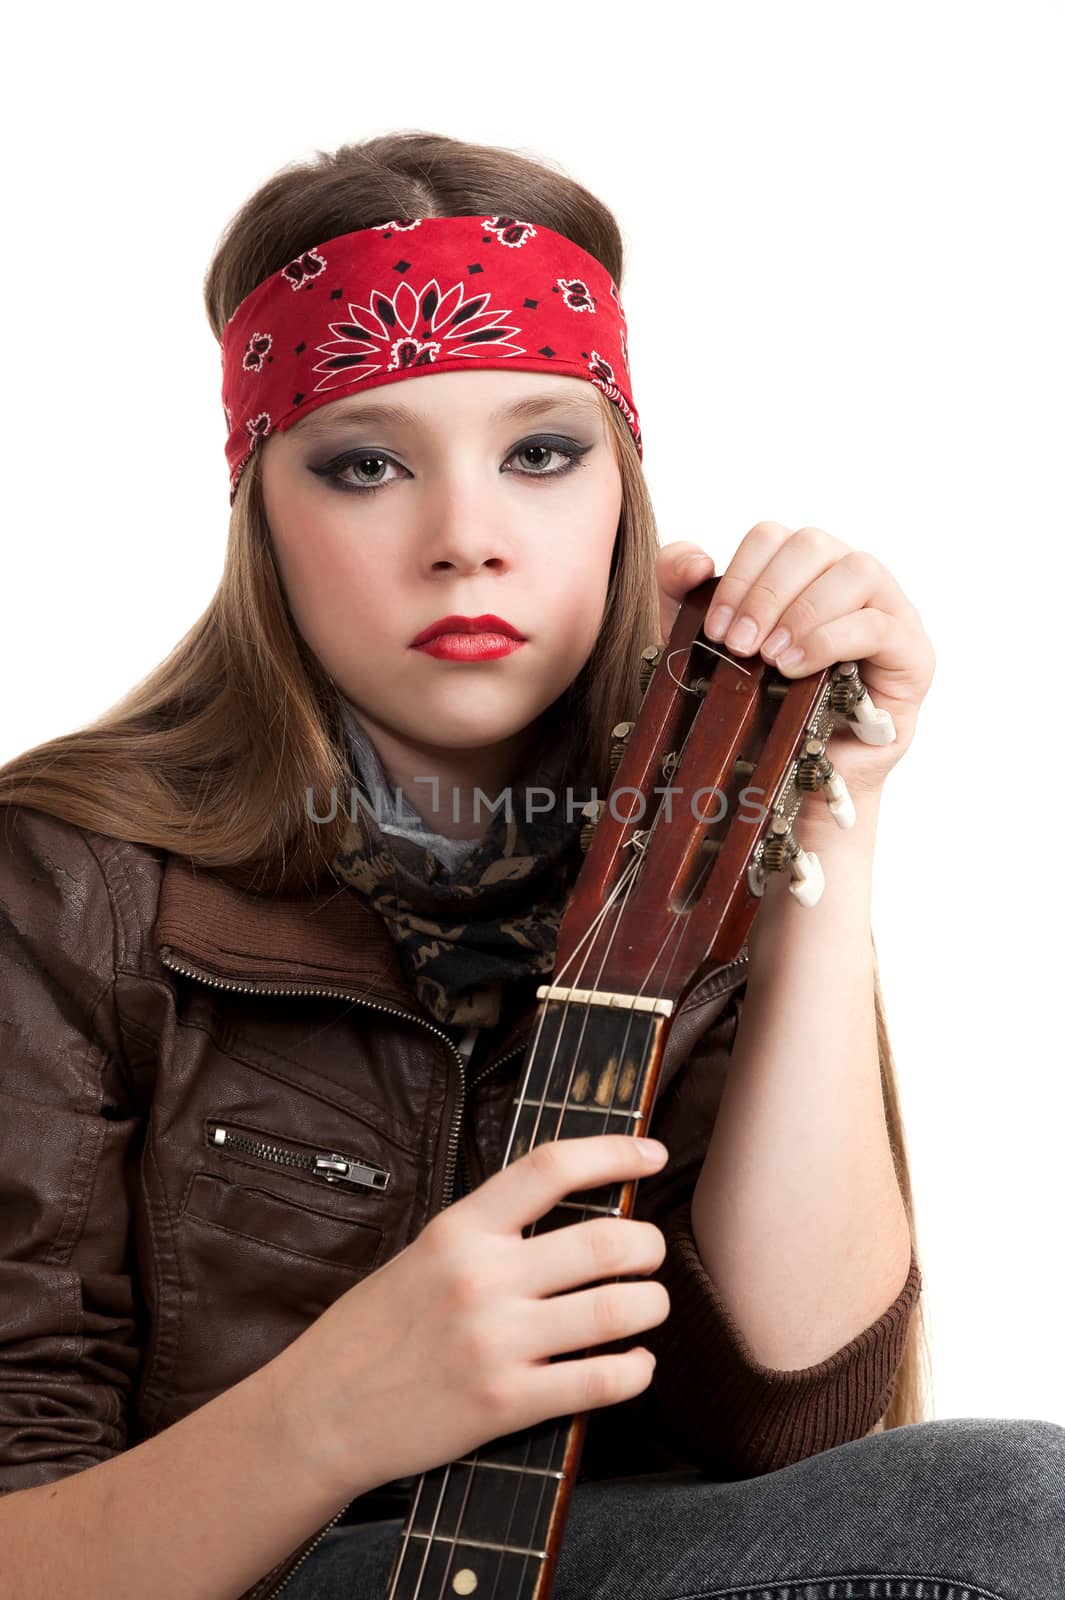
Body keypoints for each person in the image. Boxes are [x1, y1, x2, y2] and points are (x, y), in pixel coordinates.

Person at [0, 130, 1060, 1600]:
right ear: (261, 511)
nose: (467, 541)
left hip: (588, 1568)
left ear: (619, 484)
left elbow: (799, 1407)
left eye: (540, 453)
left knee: (1015, 1503)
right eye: (364, 465)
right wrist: (335, 1408)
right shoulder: (67, 880)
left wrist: (824, 828)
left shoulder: (698, 820)